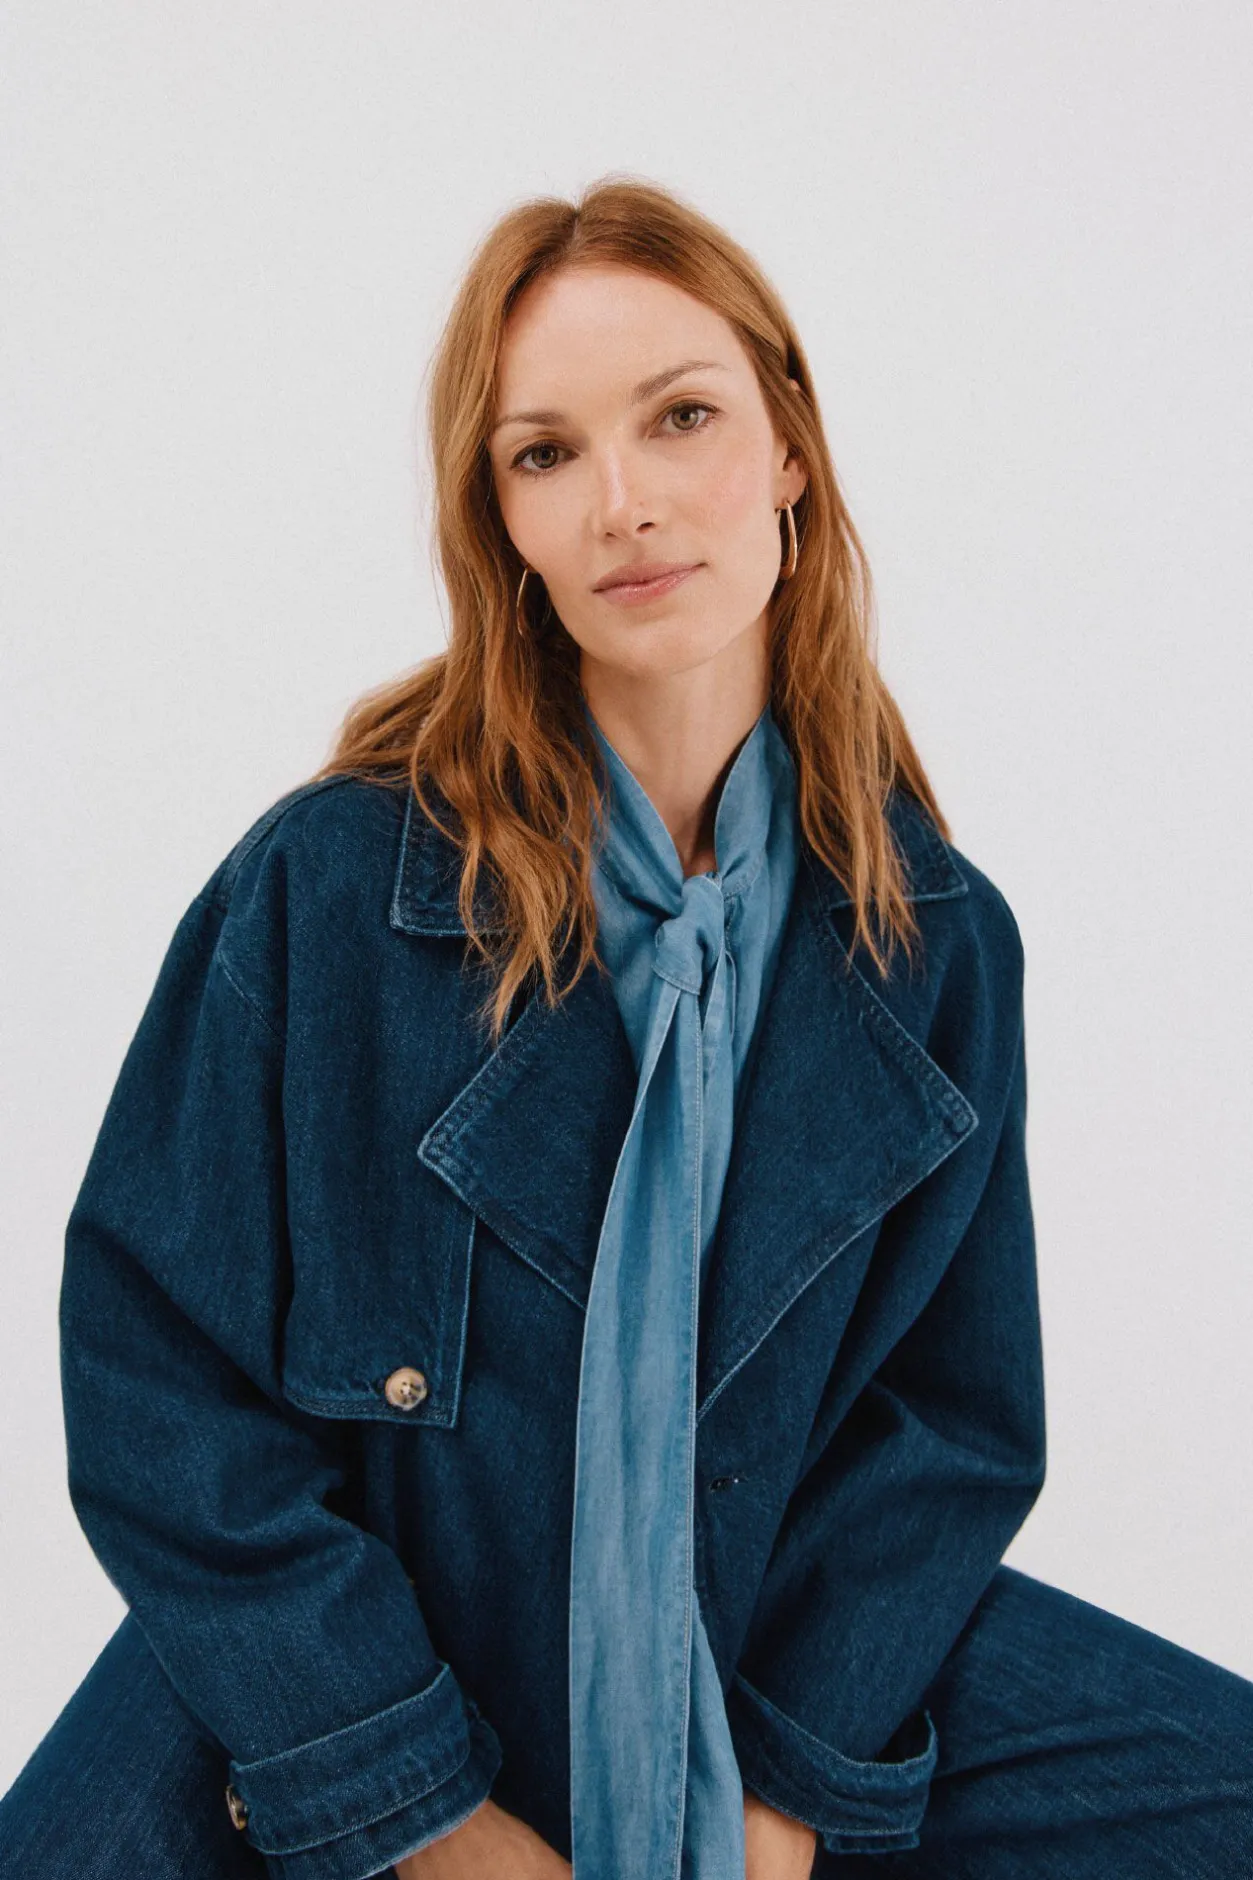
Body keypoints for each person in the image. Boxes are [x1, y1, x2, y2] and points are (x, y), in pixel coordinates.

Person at [2, 176, 1250, 1880]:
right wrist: (423, 1819)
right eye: (547, 452)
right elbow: (157, 1389)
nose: (625, 504)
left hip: (757, 1634)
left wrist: (788, 1802)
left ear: (790, 447)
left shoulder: (936, 941)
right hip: (355, 1650)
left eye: (680, 417)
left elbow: (950, 1428)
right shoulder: (332, 883)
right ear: (501, 522)